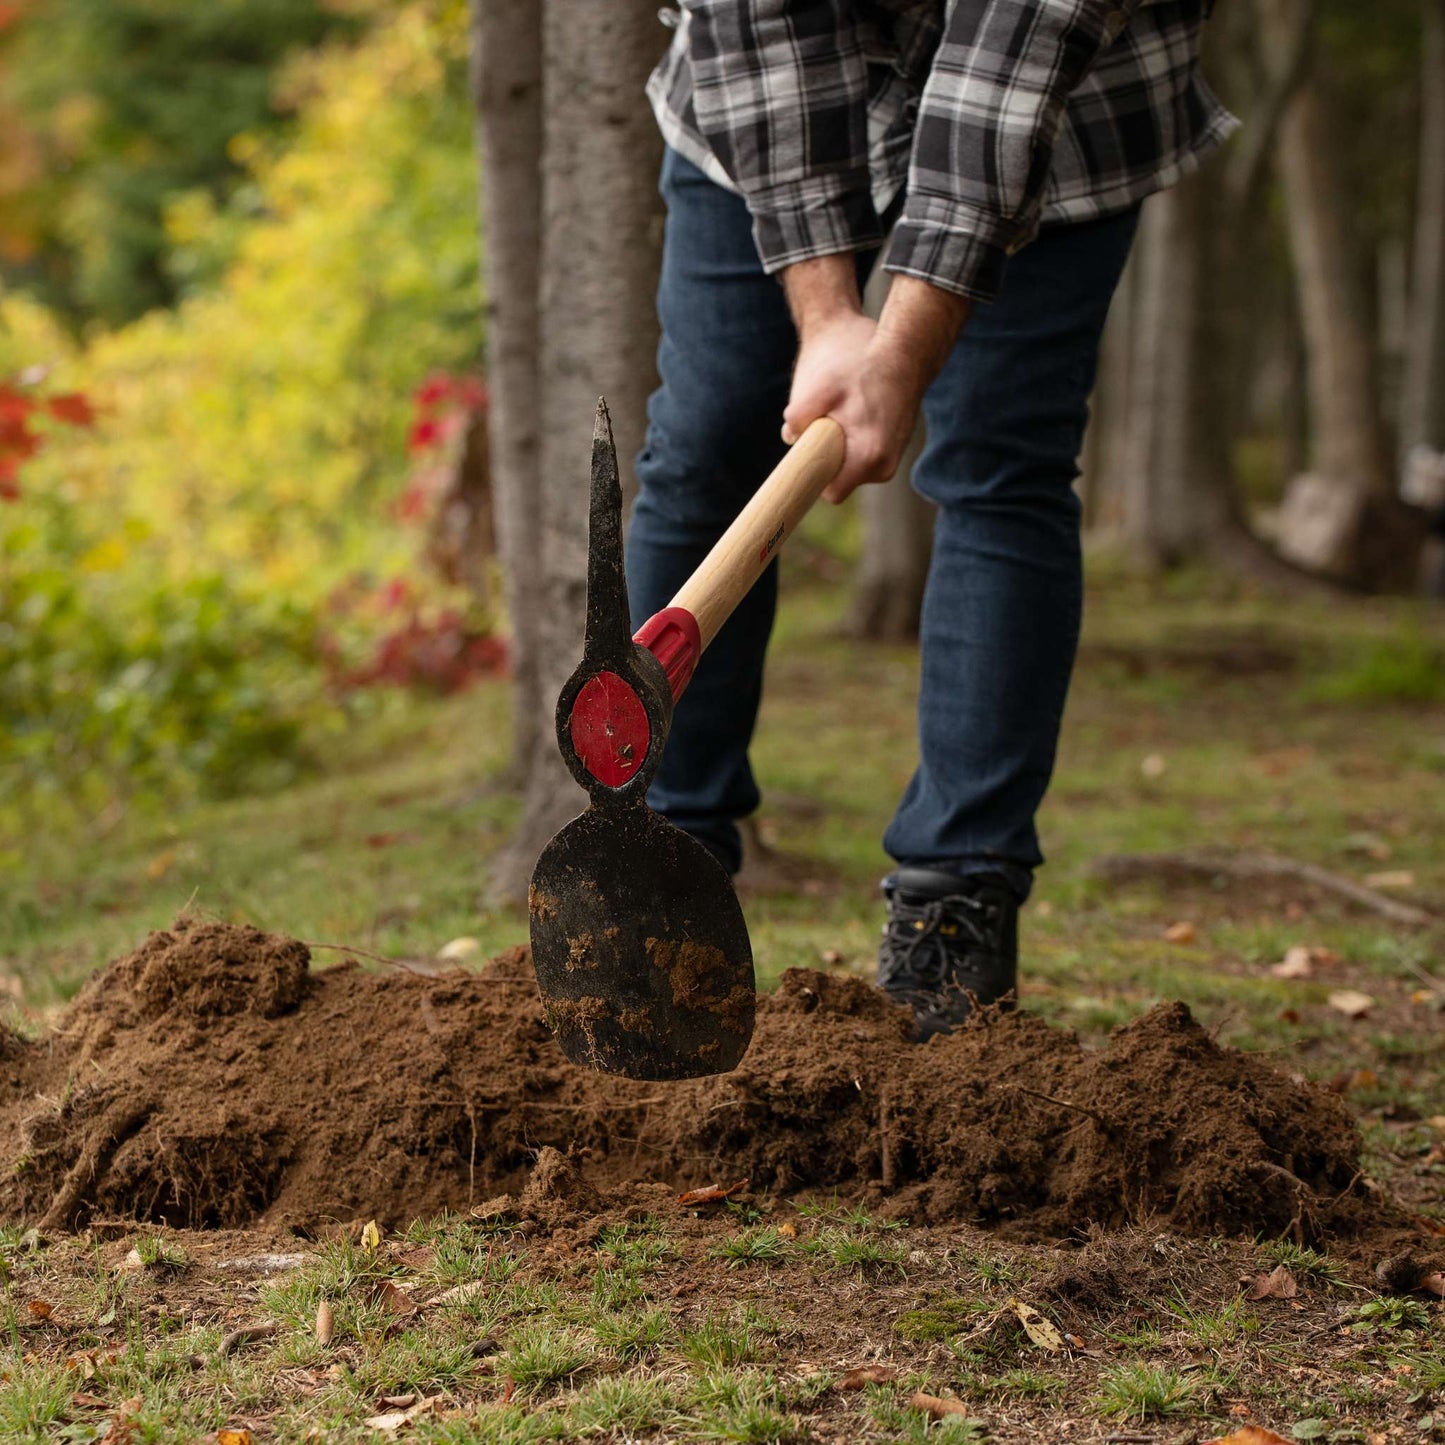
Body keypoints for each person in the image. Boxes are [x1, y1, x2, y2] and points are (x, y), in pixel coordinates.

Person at [625, 0, 1236, 1040]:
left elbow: (1015, 55)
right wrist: (824, 316)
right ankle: (661, 862)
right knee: (702, 447)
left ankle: (955, 903)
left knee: (1001, 460)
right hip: (764, 113)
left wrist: (898, 350)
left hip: (1060, 115)